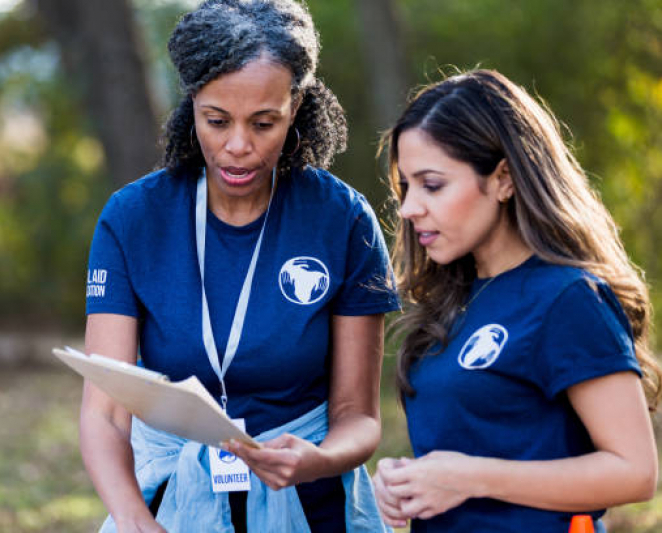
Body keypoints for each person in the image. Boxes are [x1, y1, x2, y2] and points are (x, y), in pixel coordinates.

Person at [80, 1, 399, 531]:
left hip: (310, 505)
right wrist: (136, 521)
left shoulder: (342, 220)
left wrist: (317, 460)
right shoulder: (133, 219)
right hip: (171, 506)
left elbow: (358, 417)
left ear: (296, 106)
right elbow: (106, 412)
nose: (238, 147)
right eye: (217, 120)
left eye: (264, 123)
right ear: (192, 105)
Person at [373, 69, 661, 532]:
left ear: (503, 178)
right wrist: (407, 480)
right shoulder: (453, 303)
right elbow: (489, 446)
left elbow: (635, 472)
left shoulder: (568, 298)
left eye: (432, 185)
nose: (408, 209)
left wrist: (469, 479)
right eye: (406, 186)